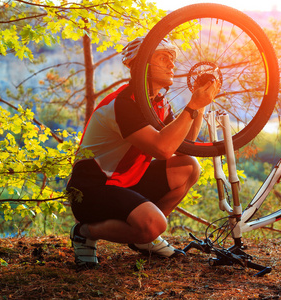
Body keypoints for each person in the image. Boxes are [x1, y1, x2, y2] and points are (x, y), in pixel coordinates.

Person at [67, 37, 220, 268]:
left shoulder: (157, 103)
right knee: (153, 224)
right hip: (91, 189)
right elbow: (162, 149)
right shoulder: (124, 103)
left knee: (188, 166)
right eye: (162, 57)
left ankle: (144, 240)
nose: (171, 64)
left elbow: (183, 144)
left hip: (124, 184)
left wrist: (199, 104)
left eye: (172, 59)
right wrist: (191, 107)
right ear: (139, 65)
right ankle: (84, 232)